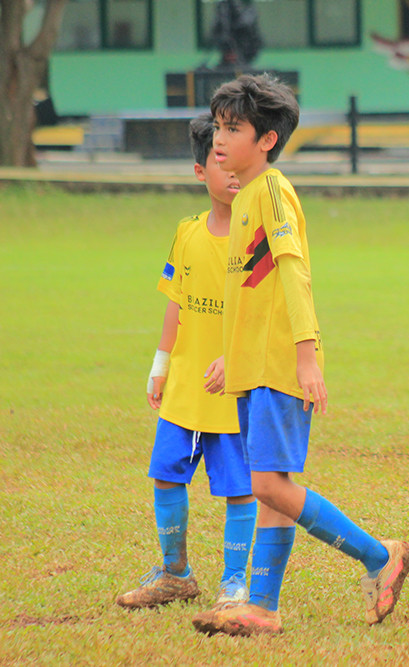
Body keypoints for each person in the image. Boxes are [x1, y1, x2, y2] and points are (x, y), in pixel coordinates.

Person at [192, 74, 409, 636]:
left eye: (233, 128)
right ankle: (262, 609)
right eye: (218, 127)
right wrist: (228, 358)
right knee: (271, 487)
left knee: (268, 486)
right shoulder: (245, 197)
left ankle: (377, 554)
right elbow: (248, 293)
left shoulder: (271, 191)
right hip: (254, 368)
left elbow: (294, 273)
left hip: (279, 367)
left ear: (266, 139)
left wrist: (307, 356)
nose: (220, 139)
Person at [116, 113, 256, 612]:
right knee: (166, 475)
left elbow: (266, 314)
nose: (232, 174)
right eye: (220, 162)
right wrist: (161, 364)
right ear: (201, 172)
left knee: (240, 488)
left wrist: (235, 359)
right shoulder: (187, 233)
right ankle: (175, 573)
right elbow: (176, 303)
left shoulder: (256, 240)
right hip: (184, 390)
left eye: (236, 161)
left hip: (235, 391)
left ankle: (235, 582)